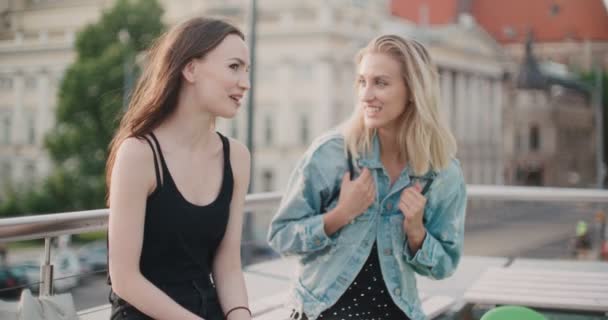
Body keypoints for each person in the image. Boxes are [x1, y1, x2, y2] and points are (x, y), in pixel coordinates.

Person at [268, 34, 467, 320]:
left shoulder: (441, 173)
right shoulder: (332, 154)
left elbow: (444, 266)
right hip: (320, 311)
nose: (366, 94)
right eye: (362, 82)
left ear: (413, 90)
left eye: (381, 83)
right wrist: (340, 214)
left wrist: (416, 232)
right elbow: (281, 237)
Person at [105, 17, 252, 320]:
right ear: (191, 69)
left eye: (247, 70)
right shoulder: (138, 154)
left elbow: (228, 264)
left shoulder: (236, 157)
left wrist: (241, 315)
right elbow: (124, 279)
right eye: (234, 67)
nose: (245, 83)